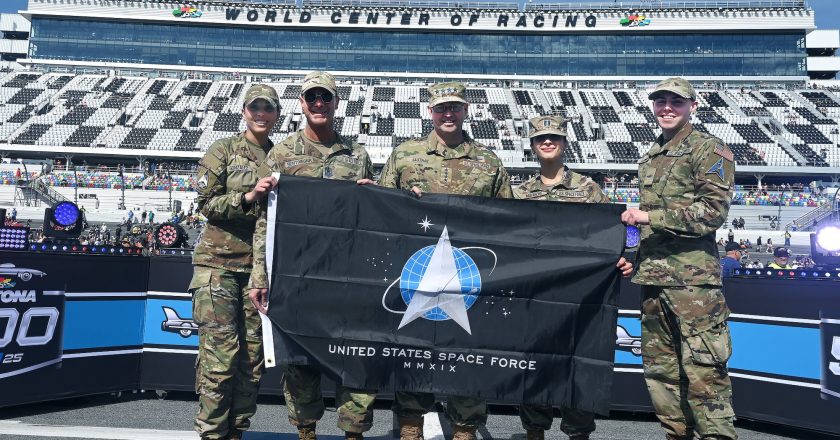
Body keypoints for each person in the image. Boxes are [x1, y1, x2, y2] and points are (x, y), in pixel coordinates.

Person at [379, 81, 513, 440]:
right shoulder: (404, 156)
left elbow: (509, 222)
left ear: (466, 110)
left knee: (467, 359)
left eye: (454, 107)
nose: (448, 114)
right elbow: (381, 211)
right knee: (413, 357)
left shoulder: (489, 161)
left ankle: (465, 428)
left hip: (469, 282)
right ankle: (410, 428)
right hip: (417, 277)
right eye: (441, 108)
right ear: (430, 112)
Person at [247, 72, 377, 440]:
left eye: (326, 98)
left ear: (336, 103)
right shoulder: (282, 154)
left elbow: (371, 221)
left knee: (354, 358)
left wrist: (372, 194)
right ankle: (307, 432)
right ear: (302, 104)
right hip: (297, 276)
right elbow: (264, 222)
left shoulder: (358, 156)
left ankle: (354, 433)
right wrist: (260, 276)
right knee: (301, 366)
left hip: (347, 277)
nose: (319, 104)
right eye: (312, 98)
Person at [620, 78, 737, 440]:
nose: (667, 108)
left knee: (704, 375)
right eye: (661, 101)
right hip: (653, 279)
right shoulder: (651, 155)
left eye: (676, 101)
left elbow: (713, 213)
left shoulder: (709, 149)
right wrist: (628, 251)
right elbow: (641, 221)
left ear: (692, 106)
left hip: (693, 285)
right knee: (663, 377)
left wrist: (649, 217)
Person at [513, 115, 633, 440]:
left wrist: (627, 255)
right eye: (541, 139)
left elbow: (622, 227)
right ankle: (534, 431)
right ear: (534, 146)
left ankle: (579, 432)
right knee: (534, 365)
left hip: (580, 297)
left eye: (553, 138)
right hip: (535, 298)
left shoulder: (587, 188)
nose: (547, 143)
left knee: (577, 366)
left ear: (564, 143)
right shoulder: (521, 193)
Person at [190, 84, 281, 440]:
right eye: (254, 107)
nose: (260, 113)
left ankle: (237, 432)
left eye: (268, 108)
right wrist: (247, 196)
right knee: (220, 358)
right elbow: (206, 204)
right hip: (219, 266)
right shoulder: (223, 150)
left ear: (276, 114)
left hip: (260, 272)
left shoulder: (280, 155)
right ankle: (212, 433)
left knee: (253, 361)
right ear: (244, 111)